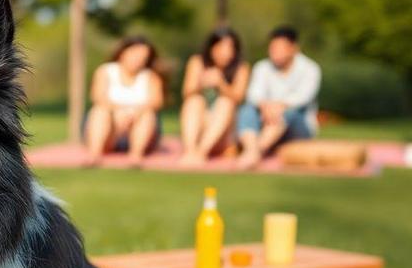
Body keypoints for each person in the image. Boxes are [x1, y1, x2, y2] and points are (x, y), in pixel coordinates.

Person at [234, 26, 321, 169]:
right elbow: (253, 95)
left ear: (294, 48)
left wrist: (277, 107)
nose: (275, 52)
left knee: (289, 113)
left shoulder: (310, 69)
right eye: (273, 48)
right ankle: (252, 151)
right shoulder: (262, 67)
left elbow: (303, 98)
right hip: (266, 122)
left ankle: (255, 152)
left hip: (298, 128)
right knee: (247, 110)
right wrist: (265, 106)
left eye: (281, 48)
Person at [84, 36, 164, 166]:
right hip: (111, 129)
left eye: (143, 56)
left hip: (139, 126)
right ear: (122, 53)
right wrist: (117, 112)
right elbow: (98, 97)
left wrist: (135, 113)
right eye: (135, 54)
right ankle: (94, 155)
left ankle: (136, 156)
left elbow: (157, 102)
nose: (138, 59)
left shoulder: (151, 76)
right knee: (100, 111)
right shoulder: (105, 71)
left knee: (148, 114)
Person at [179, 27, 250, 165]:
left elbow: (239, 98)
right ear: (211, 47)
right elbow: (186, 93)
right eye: (221, 47)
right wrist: (201, 83)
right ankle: (190, 150)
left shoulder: (241, 67)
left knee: (226, 102)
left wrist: (221, 84)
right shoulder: (197, 62)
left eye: (230, 48)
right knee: (194, 100)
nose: (226, 53)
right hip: (201, 126)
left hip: (226, 134)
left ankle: (201, 153)